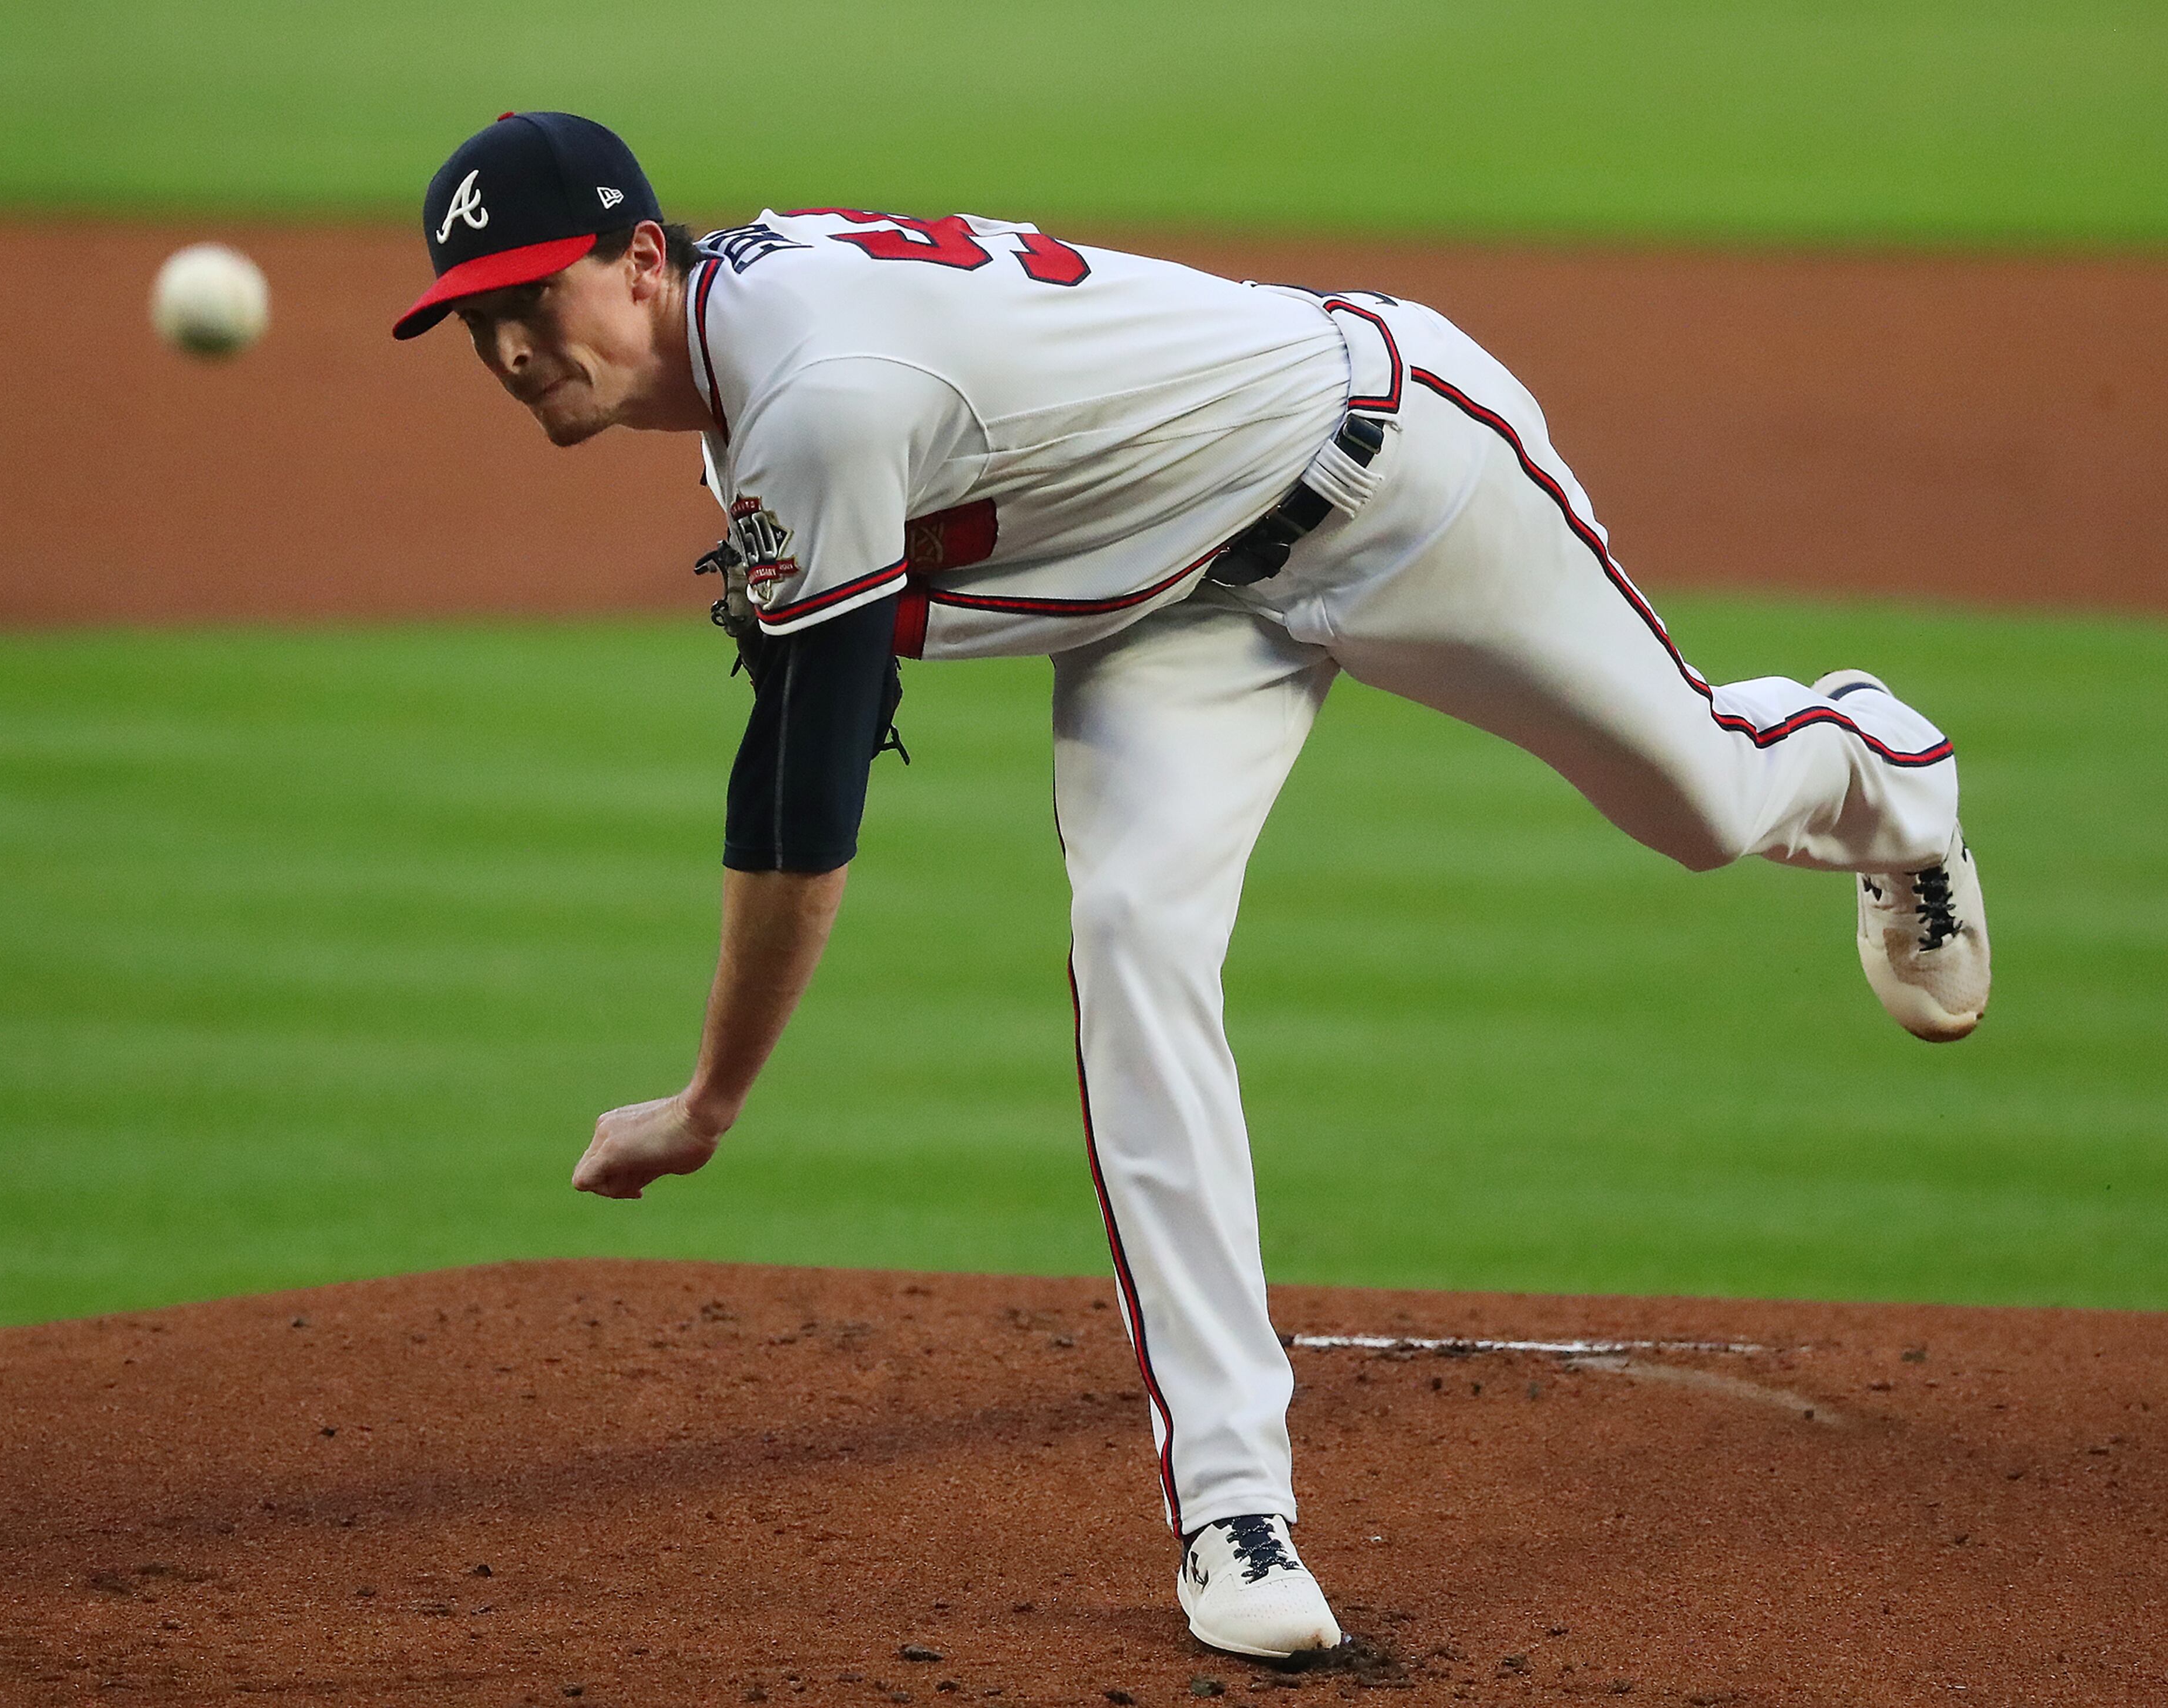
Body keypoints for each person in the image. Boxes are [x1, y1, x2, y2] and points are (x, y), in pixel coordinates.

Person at [394, 112, 1991, 1661]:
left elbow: (804, 788)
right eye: (477, 324)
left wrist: (709, 1101)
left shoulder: (816, 390)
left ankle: (1886, 771)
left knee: (1704, 805)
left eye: (533, 296)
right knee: (1131, 936)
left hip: (1397, 467)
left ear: (641, 260)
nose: (514, 348)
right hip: (1174, 613)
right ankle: (1237, 1511)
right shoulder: (762, 373)